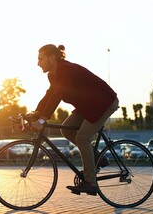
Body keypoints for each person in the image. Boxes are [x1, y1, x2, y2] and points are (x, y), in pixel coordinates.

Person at [31, 44, 119, 195]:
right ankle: (98, 158)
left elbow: (58, 94)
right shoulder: (53, 74)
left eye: (41, 59)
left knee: (82, 137)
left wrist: (42, 119)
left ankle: (91, 183)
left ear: (52, 58)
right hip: (88, 105)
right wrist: (36, 113)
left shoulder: (66, 70)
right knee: (67, 129)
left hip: (104, 102)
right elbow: (49, 95)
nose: (38, 63)